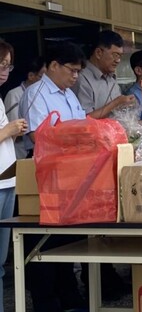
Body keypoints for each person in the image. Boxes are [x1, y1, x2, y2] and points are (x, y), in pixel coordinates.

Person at [18, 42, 88, 312]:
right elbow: (38, 136)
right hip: (45, 174)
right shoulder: (37, 94)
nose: (75, 77)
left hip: (71, 173)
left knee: (65, 240)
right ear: (54, 66)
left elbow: (81, 126)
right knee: (42, 241)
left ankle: (68, 295)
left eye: (79, 72)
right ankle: (46, 301)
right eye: (71, 70)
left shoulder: (68, 94)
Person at [0, 40, 28, 312]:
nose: (4, 70)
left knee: (0, 262)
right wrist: (7, 131)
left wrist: (12, 132)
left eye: (8, 65)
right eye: (0, 64)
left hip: (7, 181)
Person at [71, 29, 135, 119]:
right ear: (98, 53)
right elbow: (85, 120)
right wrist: (116, 103)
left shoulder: (111, 78)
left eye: (120, 56)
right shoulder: (81, 78)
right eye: (115, 55)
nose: (118, 60)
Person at [4, 57, 45, 158]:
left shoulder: (45, 95)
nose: (45, 81)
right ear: (31, 76)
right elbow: (12, 129)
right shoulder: (14, 94)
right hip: (20, 152)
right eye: (42, 77)